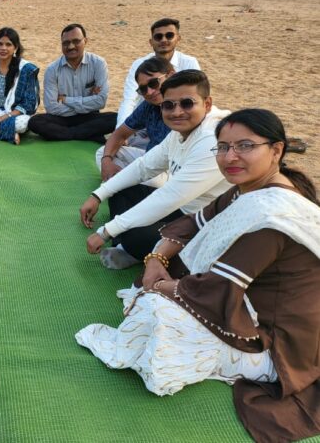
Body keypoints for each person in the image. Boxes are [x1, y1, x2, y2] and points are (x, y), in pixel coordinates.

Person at [76, 109, 320, 443]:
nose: (230, 157)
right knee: (155, 283)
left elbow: (218, 289)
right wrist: (156, 258)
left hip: (278, 341)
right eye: (223, 147)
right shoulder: (246, 189)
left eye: (245, 146)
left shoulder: (271, 216)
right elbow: (194, 222)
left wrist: (161, 286)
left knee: (157, 316)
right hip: (248, 300)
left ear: (276, 150)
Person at [79, 70, 231, 269]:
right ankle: (130, 247)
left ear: (207, 104)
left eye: (187, 103)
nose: (177, 112)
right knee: (120, 191)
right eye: (169, 105)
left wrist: (106, 231)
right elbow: (144, 166)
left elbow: (170, 197)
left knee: (134, 234)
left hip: (204, 221)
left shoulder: (212, 140)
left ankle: (131, 247)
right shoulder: (180, 131)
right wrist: (98, 195)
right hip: (182, 208)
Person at [28, 24, 117, 143]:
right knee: (35, 122)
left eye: (76, 41)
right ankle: (85, 134)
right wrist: (88, 102)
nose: (71, 46)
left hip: (89, 117)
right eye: (66, 43)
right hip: (62, 118)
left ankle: (67, 134)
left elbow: (101, 101)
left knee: (116, 118)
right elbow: (51, 107)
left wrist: (66, 100)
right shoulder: (52, 69)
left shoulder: (98, 63)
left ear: (85, 41)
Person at [96, 57, 175, 185]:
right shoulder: (149, 105)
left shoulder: (184, 106)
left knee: (153, 181)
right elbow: (119, 134)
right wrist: (106, 160)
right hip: (150, 160)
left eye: (154, 83)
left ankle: (117, 184)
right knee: (103, 154)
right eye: (143, 89)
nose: (149, 92)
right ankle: (122, 184)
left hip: (173, 168)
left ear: (171, 76)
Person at [117, 18, 201, 130]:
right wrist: (120, 128)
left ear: (178, 38)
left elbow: (196, 98)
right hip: (146, 122)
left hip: (178, 121)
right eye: (158, 36)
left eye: (169, 35)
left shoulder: (189, 63)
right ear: (151, 42)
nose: (163, 40)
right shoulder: (139, 64)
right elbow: (129, 99)